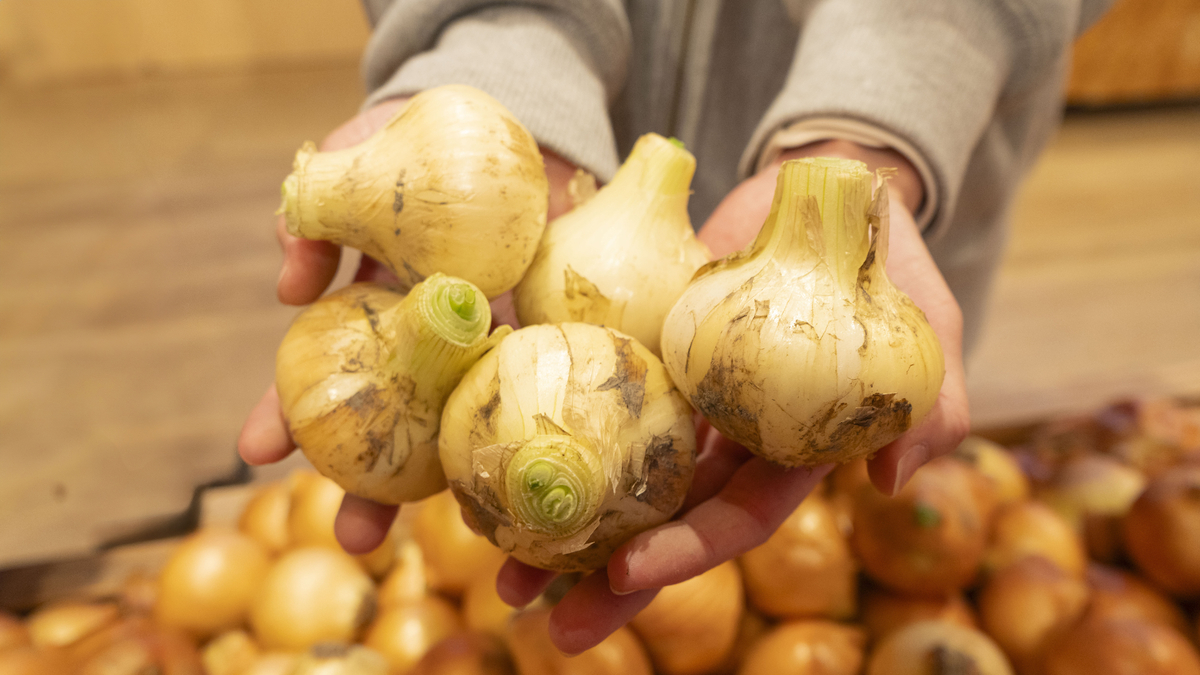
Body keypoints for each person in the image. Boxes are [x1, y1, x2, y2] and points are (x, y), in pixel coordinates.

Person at [239, 0, 1114, 654]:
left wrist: (873, 121)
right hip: (574, 200)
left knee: (861, 469)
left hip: (906, 141)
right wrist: (504, 44)